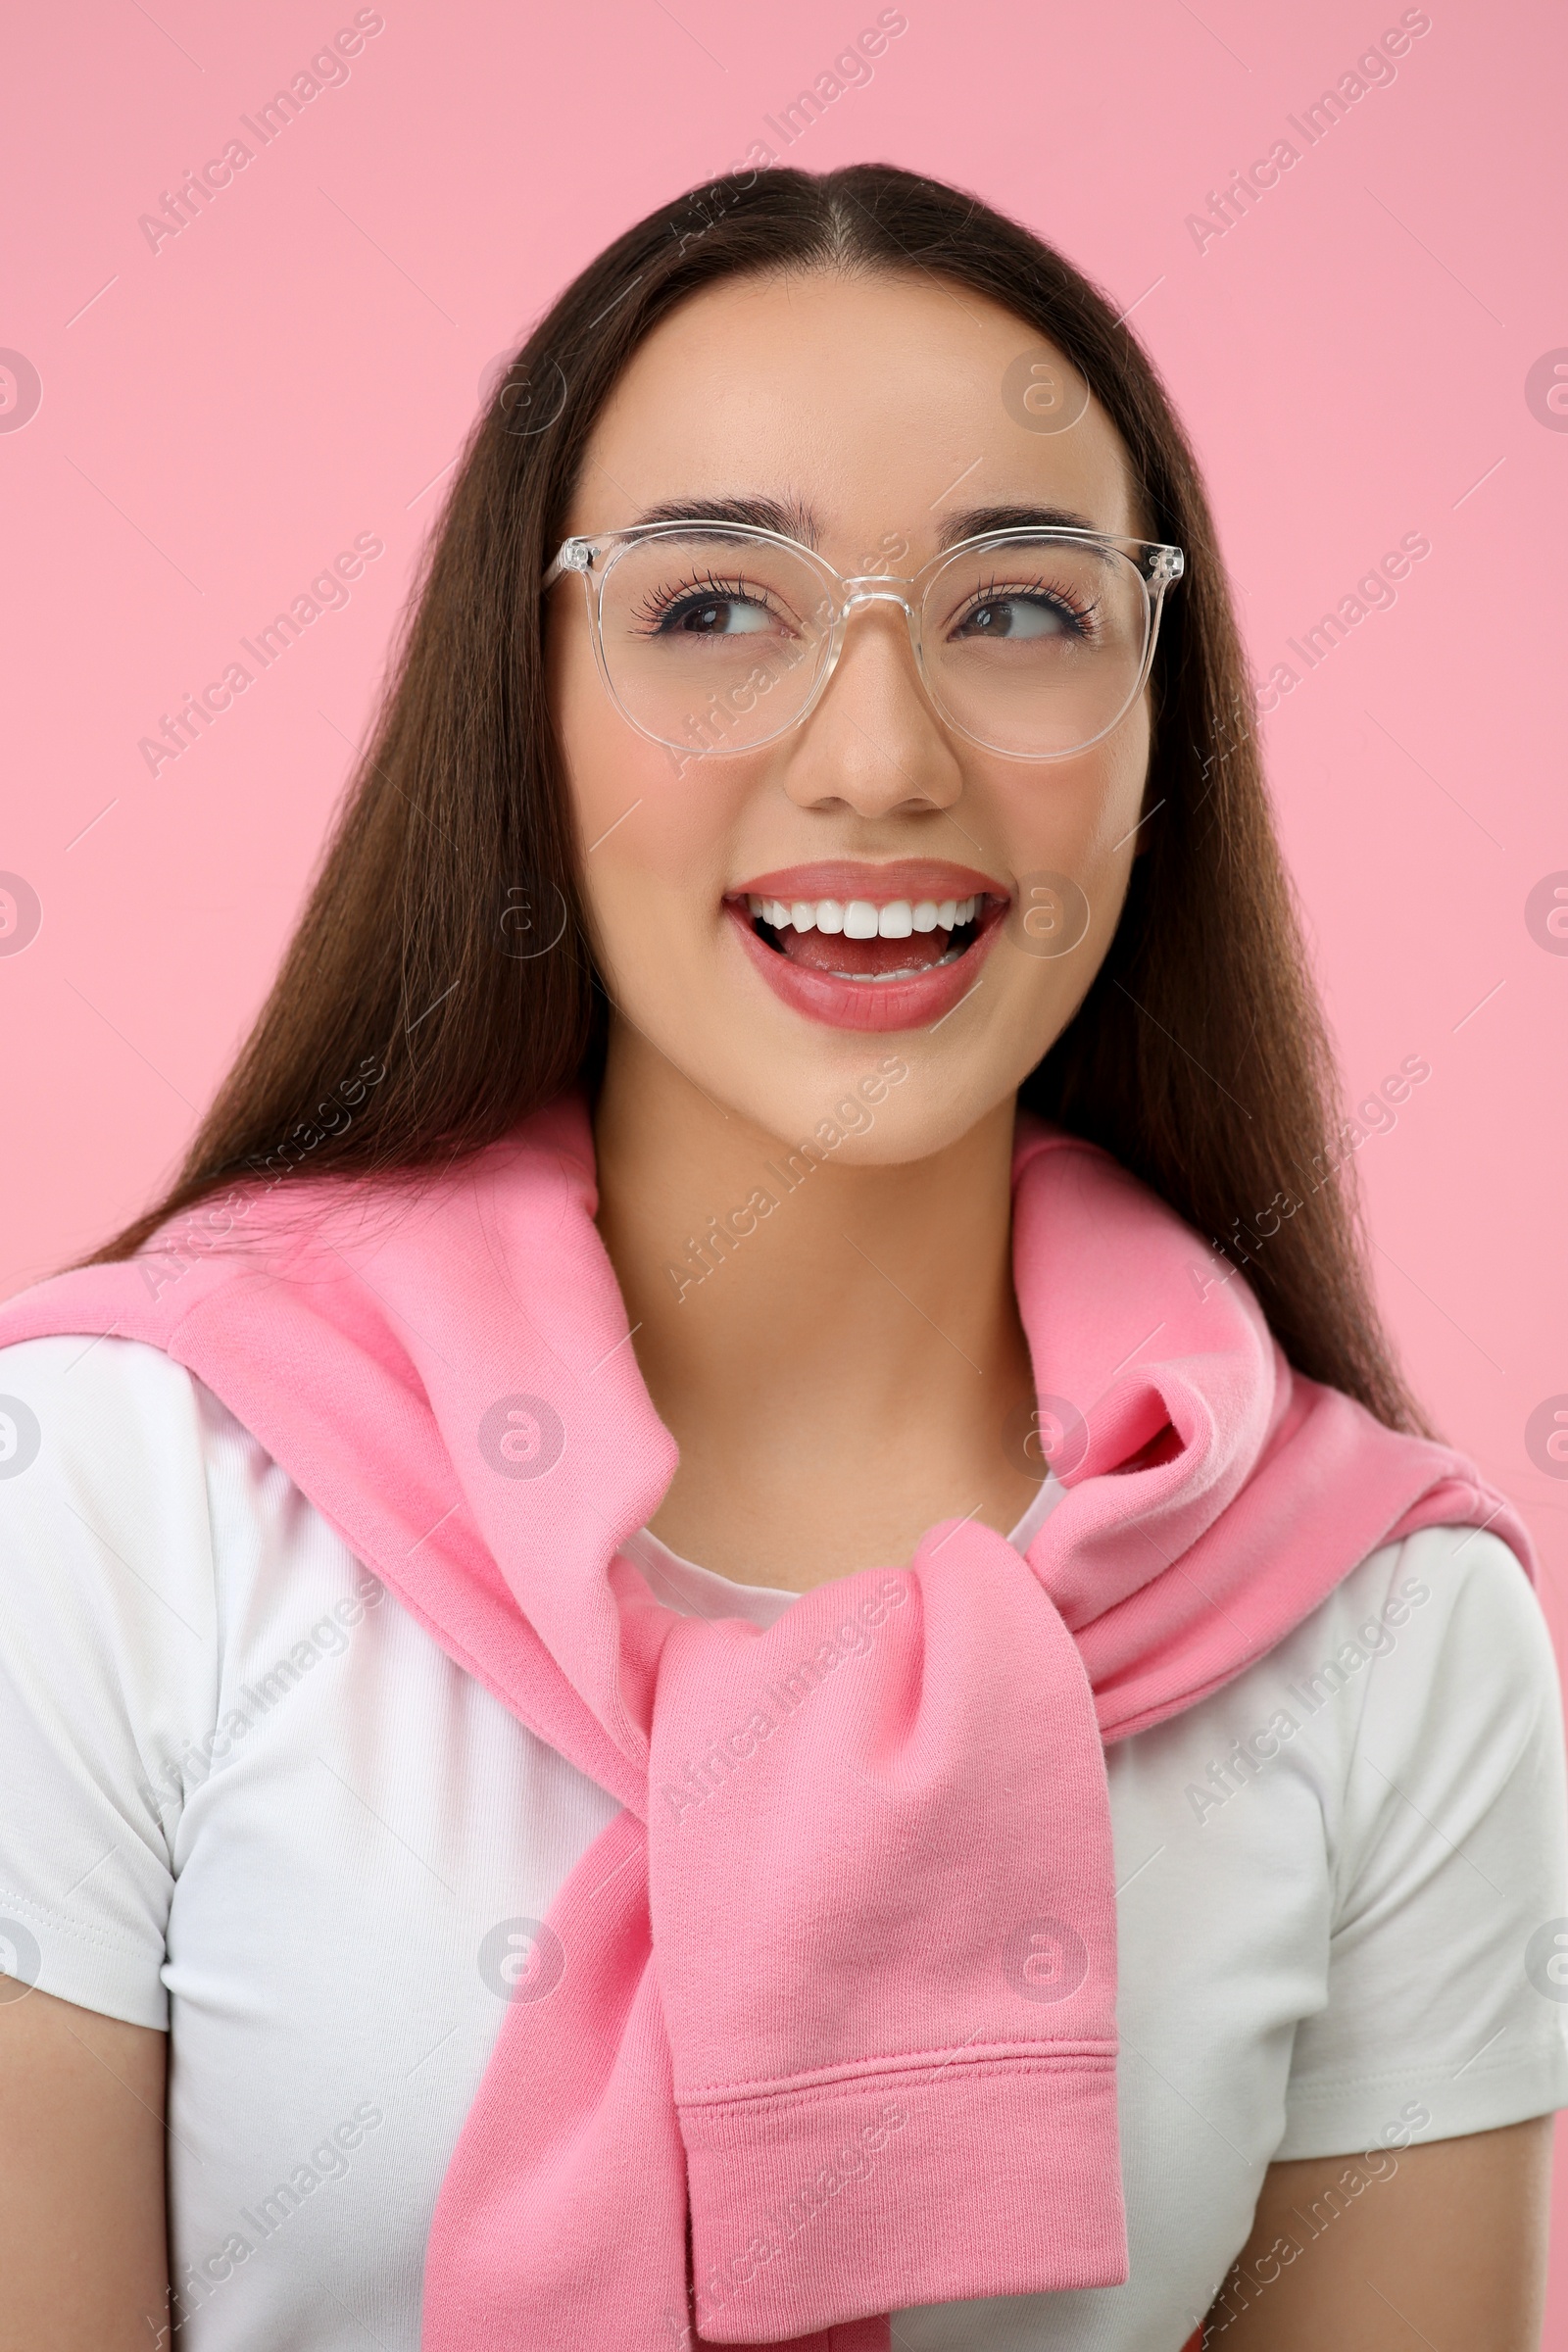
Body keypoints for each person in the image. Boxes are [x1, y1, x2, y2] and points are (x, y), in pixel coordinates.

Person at [0, 162, 1562, 2352]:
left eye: (1017, 610)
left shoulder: (1392, 1639)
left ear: (1153, 726)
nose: (878, 758)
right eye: (711, 606)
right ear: (523, 699)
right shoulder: (107, 1493)